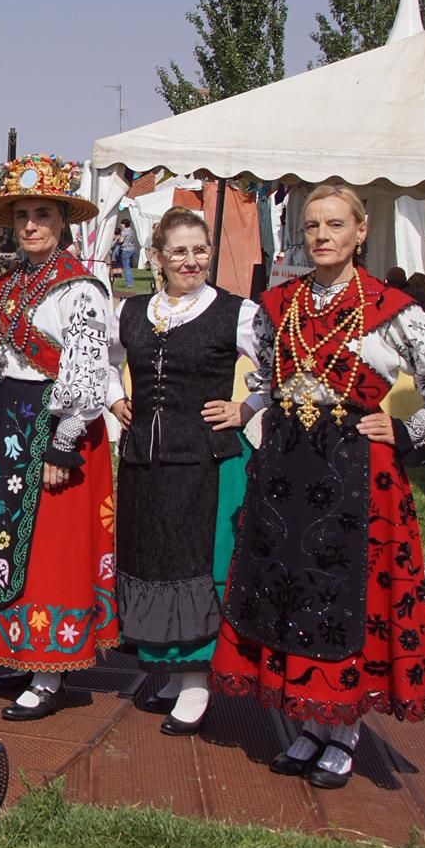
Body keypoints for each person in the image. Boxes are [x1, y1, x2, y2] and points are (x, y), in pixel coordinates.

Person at [211, 184, 425, 790]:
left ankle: (345, 729)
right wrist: (250, 406)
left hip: (353, 471)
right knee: (294, 593)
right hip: (285, 469)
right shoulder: (280, 302)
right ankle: (308, 721)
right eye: (311, 226)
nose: (322, 236)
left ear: (360, 232)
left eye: (335, 224)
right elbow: (270, 376)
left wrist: (411, 433)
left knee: (344, 596)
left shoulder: (391, 309)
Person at [0, 155, 119, 720]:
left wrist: (63, 440)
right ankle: (20, 651)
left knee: (51, 547)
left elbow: (85, 366)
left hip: (54, 426)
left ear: (63, 222)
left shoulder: (80, 288)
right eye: (24, 216)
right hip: (6, 421)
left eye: (43, 215)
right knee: (9, 540)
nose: (31, 225)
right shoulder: (7, 282)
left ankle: (51, 670)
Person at [106, 207, 262, 736]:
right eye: (180, 251)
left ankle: (197, 682)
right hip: (145, 462)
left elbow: (285, 362)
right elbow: (102, 360)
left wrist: (247, 407)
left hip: (205, 461)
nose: (192, 261)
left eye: (200, 250)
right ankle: (171, 668)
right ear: (157, 257)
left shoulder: (235, 313)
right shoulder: (130, 312)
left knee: (195, 561)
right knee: (153, 559)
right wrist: (114, 396)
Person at [116, 217, 139, 286]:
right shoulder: (131, 231)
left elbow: (121, 240)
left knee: (126, 267)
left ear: (124, 224)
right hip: (132, 249)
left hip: (126, 249)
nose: (121, 225)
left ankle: (129, 283)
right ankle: (130, 281)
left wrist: (118, 241)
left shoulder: (124, 231)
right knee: (129, 266)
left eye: (122, 224)